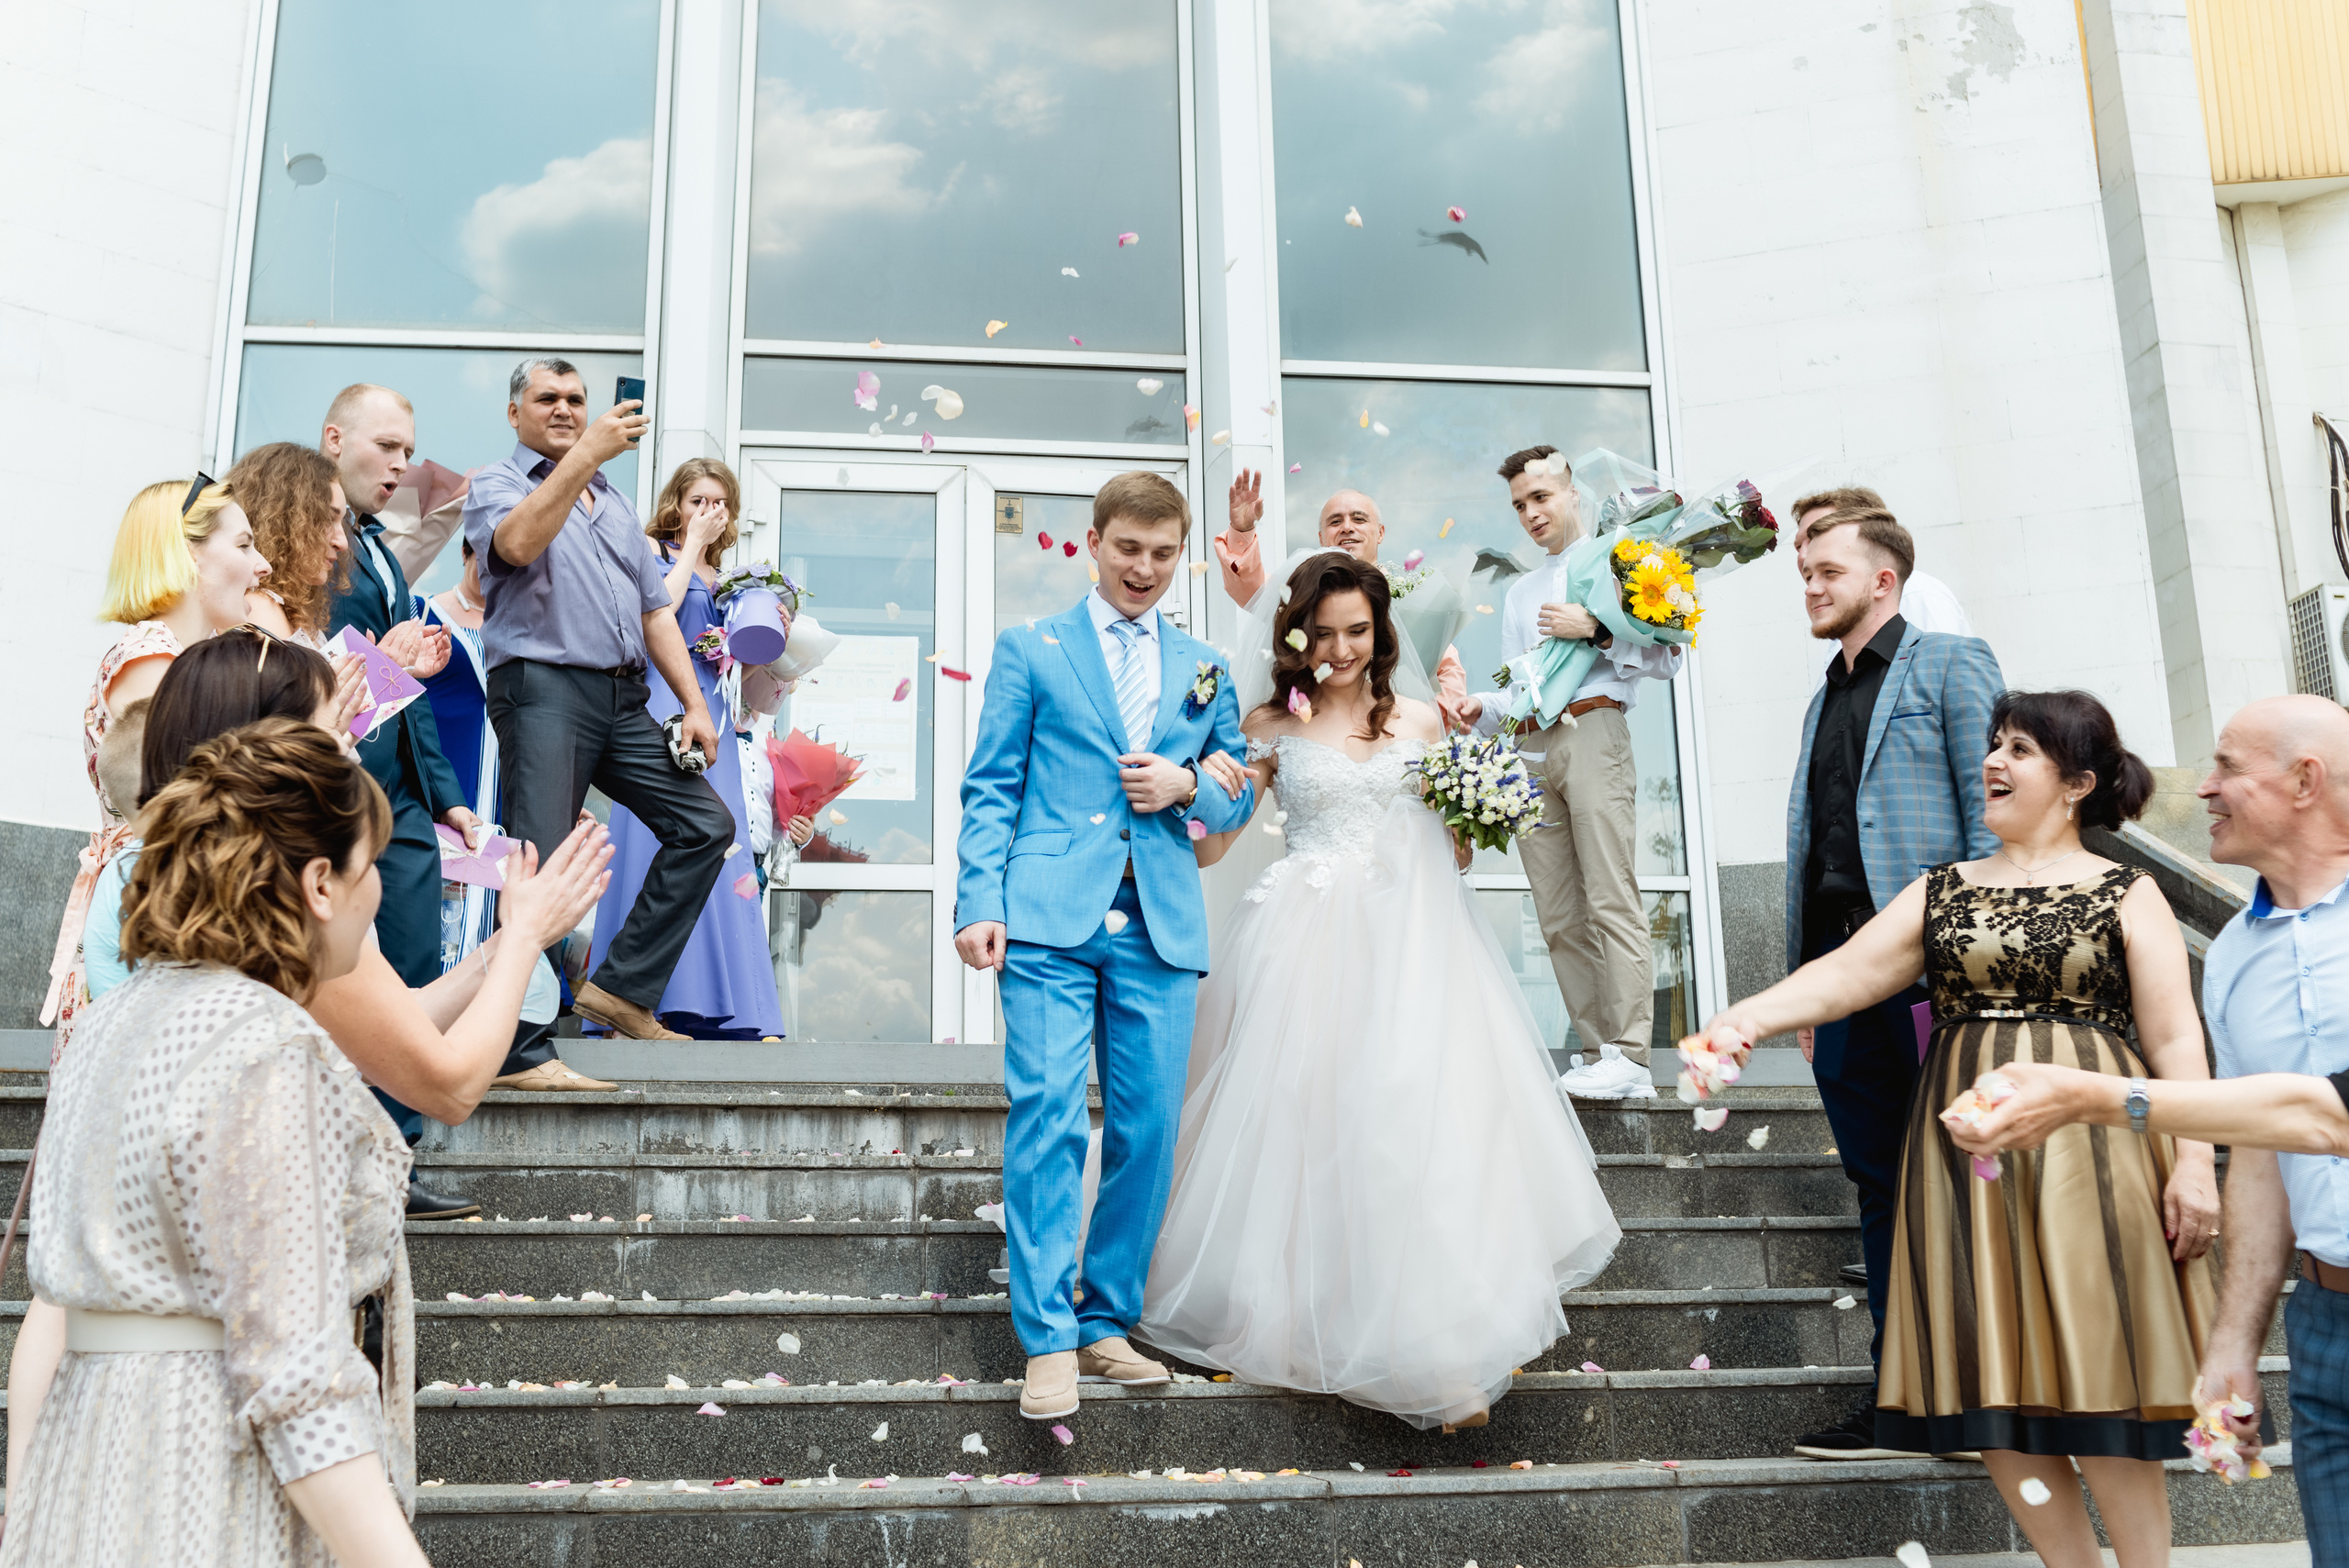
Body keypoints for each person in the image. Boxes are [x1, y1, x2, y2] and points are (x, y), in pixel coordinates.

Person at [1695, 688, 2220, 1568]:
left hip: (2096, 1155)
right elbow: (1848, 972)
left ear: (2078, 783)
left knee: (2100, 1381)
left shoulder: (2129, 892)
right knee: (1994, 1386)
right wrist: (1745, 1016)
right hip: (1968, 1161)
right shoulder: (1942, 889)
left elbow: (2174, 1035)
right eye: (1995, 744)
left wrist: (2195, 1161)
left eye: (2020, 749)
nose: (1994, 762)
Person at [1141, 552, 1620, 1430]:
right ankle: (1288, 1319)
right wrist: (1190, 797)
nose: (1342, 647)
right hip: (1300, 937)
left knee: (1409, 1122)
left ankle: (1434, 1347)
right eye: (1323, 633)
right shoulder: (1268, 726)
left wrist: (1474, 813)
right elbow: (1213, 840)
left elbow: (1457, 847)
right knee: (1299, 1120)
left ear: (1381, 630)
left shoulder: (1426, 720)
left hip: (1412, 946)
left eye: (1357, 630)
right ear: (1296, 636)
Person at [0, 720, 429, 1568]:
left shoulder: (113, 1022)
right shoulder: (264, 1044)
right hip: (202, 1483)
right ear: (319, 883)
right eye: (366, 864)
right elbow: (297, 1378)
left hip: (80, 1468)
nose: (377, 888)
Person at [74, 631, 613, 1216]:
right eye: (335, 733)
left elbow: (394, 1022)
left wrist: (516, 935)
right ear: (270, 747)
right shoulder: (287, 911)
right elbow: (450, 1084)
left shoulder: (195, 878)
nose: (353, 752)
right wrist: (526, 939)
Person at [954, 471, 1257, 1420]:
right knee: (1046, 1112)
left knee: (1147, 1128)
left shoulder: (1205, 662)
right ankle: (1046, 1338)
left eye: (1164, 554)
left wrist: (1188, 787)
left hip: (1162, 919)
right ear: (1094, 542)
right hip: (1046, 914)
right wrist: (978, 898)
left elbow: (1238, 783)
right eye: (1129, 548)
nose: (1145, 568)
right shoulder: (1029, 649)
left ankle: (1104, 1319)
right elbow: (991, 785)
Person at [1764, 502, 2005, 1458]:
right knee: (1879, 1188)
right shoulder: (1819, 698)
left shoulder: (1950, 664)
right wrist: (1805, 991)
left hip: (1933, 979)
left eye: (1826, 569)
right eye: (1805, 573)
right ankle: (1904, 1395)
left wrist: (1976, 969)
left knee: (1966, 1184)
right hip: (1843, 985)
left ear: (1882, 579)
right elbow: (1811, 848)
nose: (1811, 585)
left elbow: (1994, 818)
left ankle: (1994, 1393)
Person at [462, 357, 736, 1041]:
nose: (563, 409)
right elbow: (518, 544)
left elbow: (655, 613)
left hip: (622, 700)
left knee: (705, 826)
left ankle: (619, 990)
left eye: (575, 400)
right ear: (514, 412)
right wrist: (583, 458)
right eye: (547, 397)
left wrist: (695, 705)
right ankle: (517, 1043)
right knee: (544, 861)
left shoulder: (612, 502)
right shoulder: (496, 483)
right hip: (544, 688)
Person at [1454, 446, 1681, 1099]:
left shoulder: (1621, 562)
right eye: (1520, 504)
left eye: (1541, 497)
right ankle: (1596, 1050)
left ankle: (1633, 1054)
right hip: (1530, 746)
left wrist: (1600, 631)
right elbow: (1519, 688)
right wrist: (1480, 707)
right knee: (1556, 911)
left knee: (1610, 892)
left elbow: (1669, 660)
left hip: (1594, 729)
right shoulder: (1521, 593)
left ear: (1572, 492)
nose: (1531, 512)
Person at [46, 478, 272, 1048]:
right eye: (244, 546)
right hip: (153, 915)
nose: (263, 565)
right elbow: (186, 796)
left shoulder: (173, 656)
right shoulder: (150, 654)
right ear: (188, 552)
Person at [320, 385, 485, 1145]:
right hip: (332, 788)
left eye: (408, 452)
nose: (400, 465)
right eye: (386, 446)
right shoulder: (300, 546)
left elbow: (405, 690)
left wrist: (448, 798)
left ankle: (398, 1152)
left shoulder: (385, 553)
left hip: (403, 803)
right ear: (333, 439)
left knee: (415, 963)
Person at [584, 458, 785, 1038]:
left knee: (722, 850)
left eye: (719, 505)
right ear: (676, 505)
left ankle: (731, 1008)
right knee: (657, 842)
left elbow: (740, 673)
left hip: (715, 722)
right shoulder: (651, 553)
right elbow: (652, 615)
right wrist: (691, 547)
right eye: (699, 501)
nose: (710, 513)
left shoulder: (732, 582)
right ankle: (637, 995)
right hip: (661, 714)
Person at [414, 538, 614, 1090]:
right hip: (449, 793)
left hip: (516, 794)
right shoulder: (421, 611)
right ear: (466, 555)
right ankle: (434, 1045)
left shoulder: (536, 630)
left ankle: (506, 1051)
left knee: (509, 912)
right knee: (448, 920)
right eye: (489, 560)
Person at [1212, 473, 1467, 716]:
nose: (1347, 527)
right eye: (1335, 521)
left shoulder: (1414, 598)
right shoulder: (1300, 589)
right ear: (1322, 537)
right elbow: (1250, 587)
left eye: (1359, 519)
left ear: (1380, 533)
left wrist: (1424, 718)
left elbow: (1442, 667)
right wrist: (1242, 531)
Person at [1790, 486, 1972, 639]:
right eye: (1798, 546)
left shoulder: (1914, 593)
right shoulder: (1845, 618)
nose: (1803, 555)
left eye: (1816, 537)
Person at [231, 441, 351, 651]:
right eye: (326, 519)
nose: (343, 543)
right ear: (284, 522)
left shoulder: (286, 611)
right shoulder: (259, 608)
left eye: (341, 523)